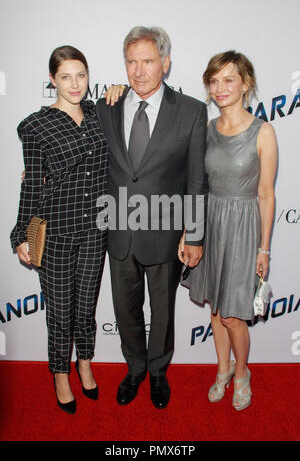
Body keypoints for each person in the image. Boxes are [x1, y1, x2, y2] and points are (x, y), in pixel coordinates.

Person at [96, 26, 207, 409]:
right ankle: (135, 369)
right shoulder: (105, 106)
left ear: (166, 63)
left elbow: (196, 179)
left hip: (166, 232)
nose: (138, 71)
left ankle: (158, 372)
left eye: (147, 61)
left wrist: (194, 234)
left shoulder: (192, 111)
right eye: (131, 61)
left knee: (162, 311)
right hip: (119, 231)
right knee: (125, 309)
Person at [10, 46, 109, 414]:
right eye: (65, 76)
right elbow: (33, 181)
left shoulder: (100, 114)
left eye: (80, 75)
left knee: (86, 308)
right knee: (60, 313)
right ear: (52, 80)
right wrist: (21, 231)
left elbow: (134, 99)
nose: (74, 84)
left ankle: (85, 362)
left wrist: (117, 89)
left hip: (96, 230)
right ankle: (59, 373)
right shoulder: (36, 126)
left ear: (88, 76)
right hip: (56, 233)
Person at [179, 51, 277, 411]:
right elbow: (196, 185)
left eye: (228, 80)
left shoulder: (263, 131)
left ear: (245, 84)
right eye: (214, 81)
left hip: (243, 226)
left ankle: (242, 374)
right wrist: (189, 233)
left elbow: (266, 194)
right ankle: (222, 369)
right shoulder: (205, 130)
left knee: (234, 314)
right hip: (210, 222)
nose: (219, 88)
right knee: (216, 311)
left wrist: (264, 249)